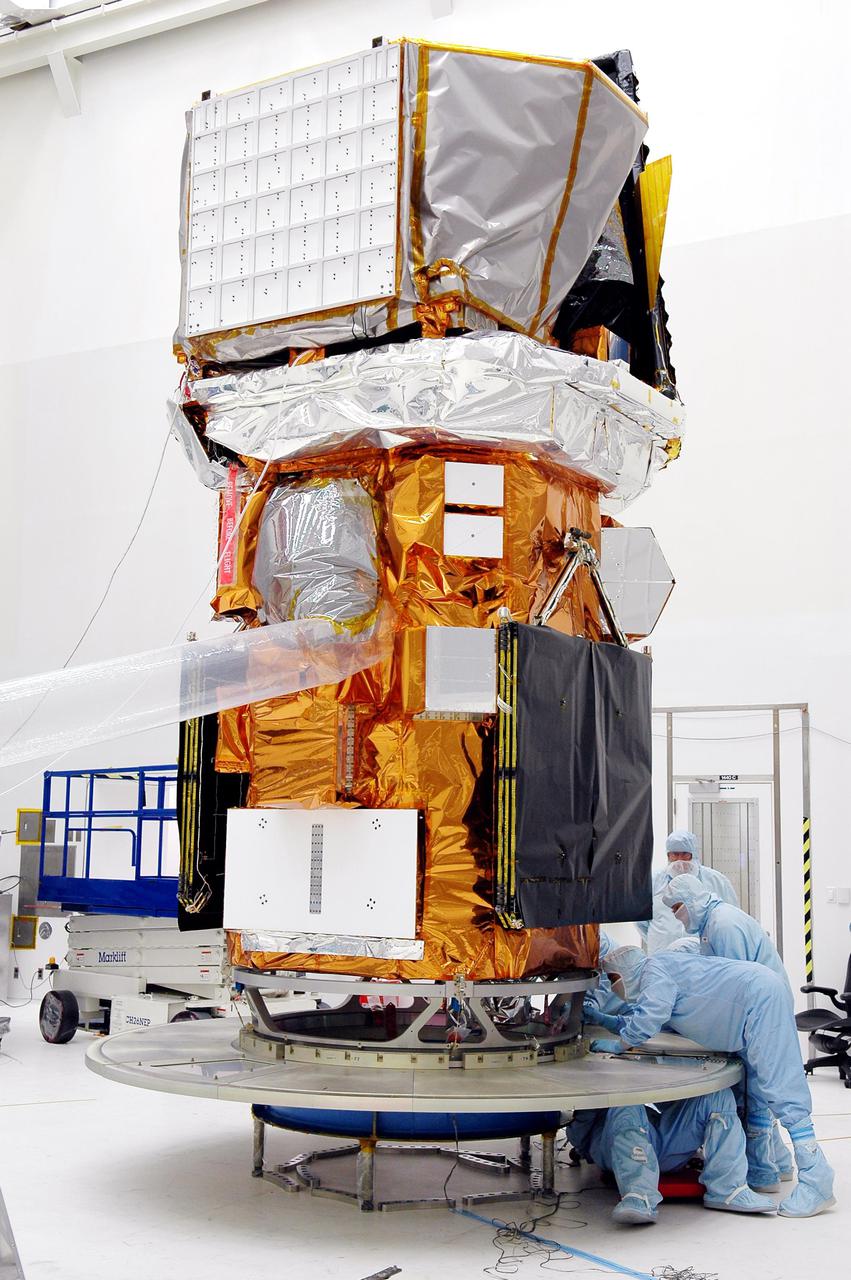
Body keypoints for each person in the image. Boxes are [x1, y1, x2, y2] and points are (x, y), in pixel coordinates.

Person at [590, 946, 836, 1218]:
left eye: (612, 979)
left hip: (758, 1000)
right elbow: (653, 1018)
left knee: (780, 1088)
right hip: (754, 997)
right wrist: (606, 1021)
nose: (613, 987)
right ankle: (761, 1171)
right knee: (754, 1089)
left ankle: (816, 1181)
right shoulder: (660, 970)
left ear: (626, 971)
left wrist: (622, 1044)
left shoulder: (653, 973)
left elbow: (650, 1018)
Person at [661, 873, 794, 1185]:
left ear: (693, 898)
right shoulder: (711, 925)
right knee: (754, 1088)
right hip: (756, 1011)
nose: (677, 914)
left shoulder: (724, 924)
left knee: (755, 1090)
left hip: (760, 1012)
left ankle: (763, 1173)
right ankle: (778, 1164)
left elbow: (733, 984)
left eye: (678, 906)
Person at [565, 1091, 775, 1223]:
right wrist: (584, 1149)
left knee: (718, 1096)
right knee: (625, 1101)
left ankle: (728, 1189)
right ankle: (638, 1195)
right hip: (616, 1144)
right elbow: (580, 1121)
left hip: (657, 1136)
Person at [636, 830, 740, 953]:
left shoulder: (716, 881)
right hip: (662, 954)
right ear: (668, 855)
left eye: (685, 854)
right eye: (675, 854)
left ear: (694, 854)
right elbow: (641, 921)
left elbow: (731, 915)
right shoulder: (653, 882)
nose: (680, 860)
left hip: (703, 955)